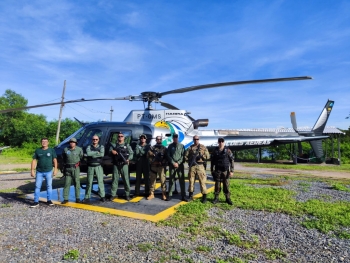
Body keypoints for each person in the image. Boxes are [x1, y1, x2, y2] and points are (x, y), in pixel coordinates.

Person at [30, 138, 58, 208]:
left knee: (49, 186)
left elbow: (55, 160)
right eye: (43, 141)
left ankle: (49, 200)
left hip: (49, 171)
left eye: (45, 142)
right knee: (37, 186)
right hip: (39, 171)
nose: (44, 143)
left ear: (48, 143)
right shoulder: (37, 150)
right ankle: (36, 201)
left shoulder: (51, 150)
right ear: (41, 143)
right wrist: (32, 170)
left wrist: (55, 169)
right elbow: (34, 160)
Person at [109, 132, 133, 201]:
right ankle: (113, 194)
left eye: (121, 136)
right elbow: (109, 151)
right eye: (119, 136)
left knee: (126, 180)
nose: (120, 137)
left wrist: (128, 159)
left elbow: (131, 153)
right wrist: (112, 152)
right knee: (115, 180)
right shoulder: (114, 145)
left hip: (124, 164)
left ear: (124, 137)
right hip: (116, 164)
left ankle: (127, 194)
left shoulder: (127, 145)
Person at [185, 135, 210, 203]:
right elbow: (185, 156)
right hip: (192, 166)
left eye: (197, 139)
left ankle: (204, 196)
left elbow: (208, 156)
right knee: (191, 181)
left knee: (202, 182)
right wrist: (189, 160)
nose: (196, 140)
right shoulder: (190, 148)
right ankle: (190, 195)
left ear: (199, 139)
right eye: (194, 139)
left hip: (200, 166)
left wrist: (202, 156)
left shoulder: (203, 147)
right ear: (193, 140)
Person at [210, 137, 234, 205]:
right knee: (217, 185)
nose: (221, 143)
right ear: (218, 142)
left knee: (226, 185)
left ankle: (227, 198)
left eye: (222, 141)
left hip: (225, 171)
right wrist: (212, 170)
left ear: (224, 142)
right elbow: (212, 161)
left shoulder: (228, 150)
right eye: (219, 141)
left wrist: (231, 171)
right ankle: (216, 198)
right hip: (217, 170)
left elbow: (232, 160)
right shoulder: (215, 151)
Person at [82, 135, 106, 203]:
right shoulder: (89, 147)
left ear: (98, 140)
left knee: (100, 181)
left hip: (98, 166)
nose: (95, 140)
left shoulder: (101, 147)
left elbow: (102, 154)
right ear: (92, 140)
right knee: (89, 182)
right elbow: (88, 153)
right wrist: (96, 152)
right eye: (93, 139)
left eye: (96, 139)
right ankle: (87, 197)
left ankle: (102, 196)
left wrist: (92, 154)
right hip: (90, 166)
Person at [61, 138, 83, 204]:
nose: (71, 143)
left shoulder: (79, 149)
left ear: (76, 143)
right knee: (67, 183)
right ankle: (65, 198)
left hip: (75, 168)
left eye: (73, 142)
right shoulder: (65, 149)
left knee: (77, 183)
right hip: (68, 169)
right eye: (70, 142)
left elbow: (81, 157)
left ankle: (78, 198)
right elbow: (64, 158)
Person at [166, 133, 187, 201]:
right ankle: (169, 195)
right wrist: (173, 162)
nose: (175, 138)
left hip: (180, 165)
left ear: (178, 138)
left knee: (181, 180)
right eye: (174, 137)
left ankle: (183, 195)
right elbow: (168, 155)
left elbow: (183, 156)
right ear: (173, 138)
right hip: (172, 165)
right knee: (171, 180)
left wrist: (178, 163)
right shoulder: (170, 146)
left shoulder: (181, 146)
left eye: (176, 137)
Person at [147, 136, 167, 200]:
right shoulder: (152, 148)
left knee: (162, 180)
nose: (159, 140)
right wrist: (152, 154)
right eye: (157, 139)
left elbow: (167, 157)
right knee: (152, 181)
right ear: (156, 140)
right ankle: (151, 193)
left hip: (161, 167)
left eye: (160, 139)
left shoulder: (164, 148)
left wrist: (162, 162)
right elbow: (148, 156)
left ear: (161, 140)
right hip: (153, 166)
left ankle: (164, 194)